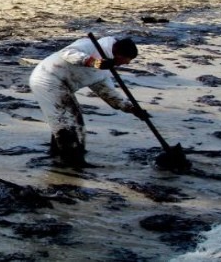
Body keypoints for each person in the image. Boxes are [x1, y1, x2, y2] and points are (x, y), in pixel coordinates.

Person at [28, 36, 148, 167]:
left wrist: (131, 108)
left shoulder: (105, 69)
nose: (126, 64)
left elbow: (107, 93)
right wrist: (93, 62)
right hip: (47, 79)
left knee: (76, 123)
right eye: (125, 60)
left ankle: (59, 155)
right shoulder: (91, 46)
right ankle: (71, 163)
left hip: (63, 85)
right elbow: (67, 53)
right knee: (67, 121)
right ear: (118, 53)